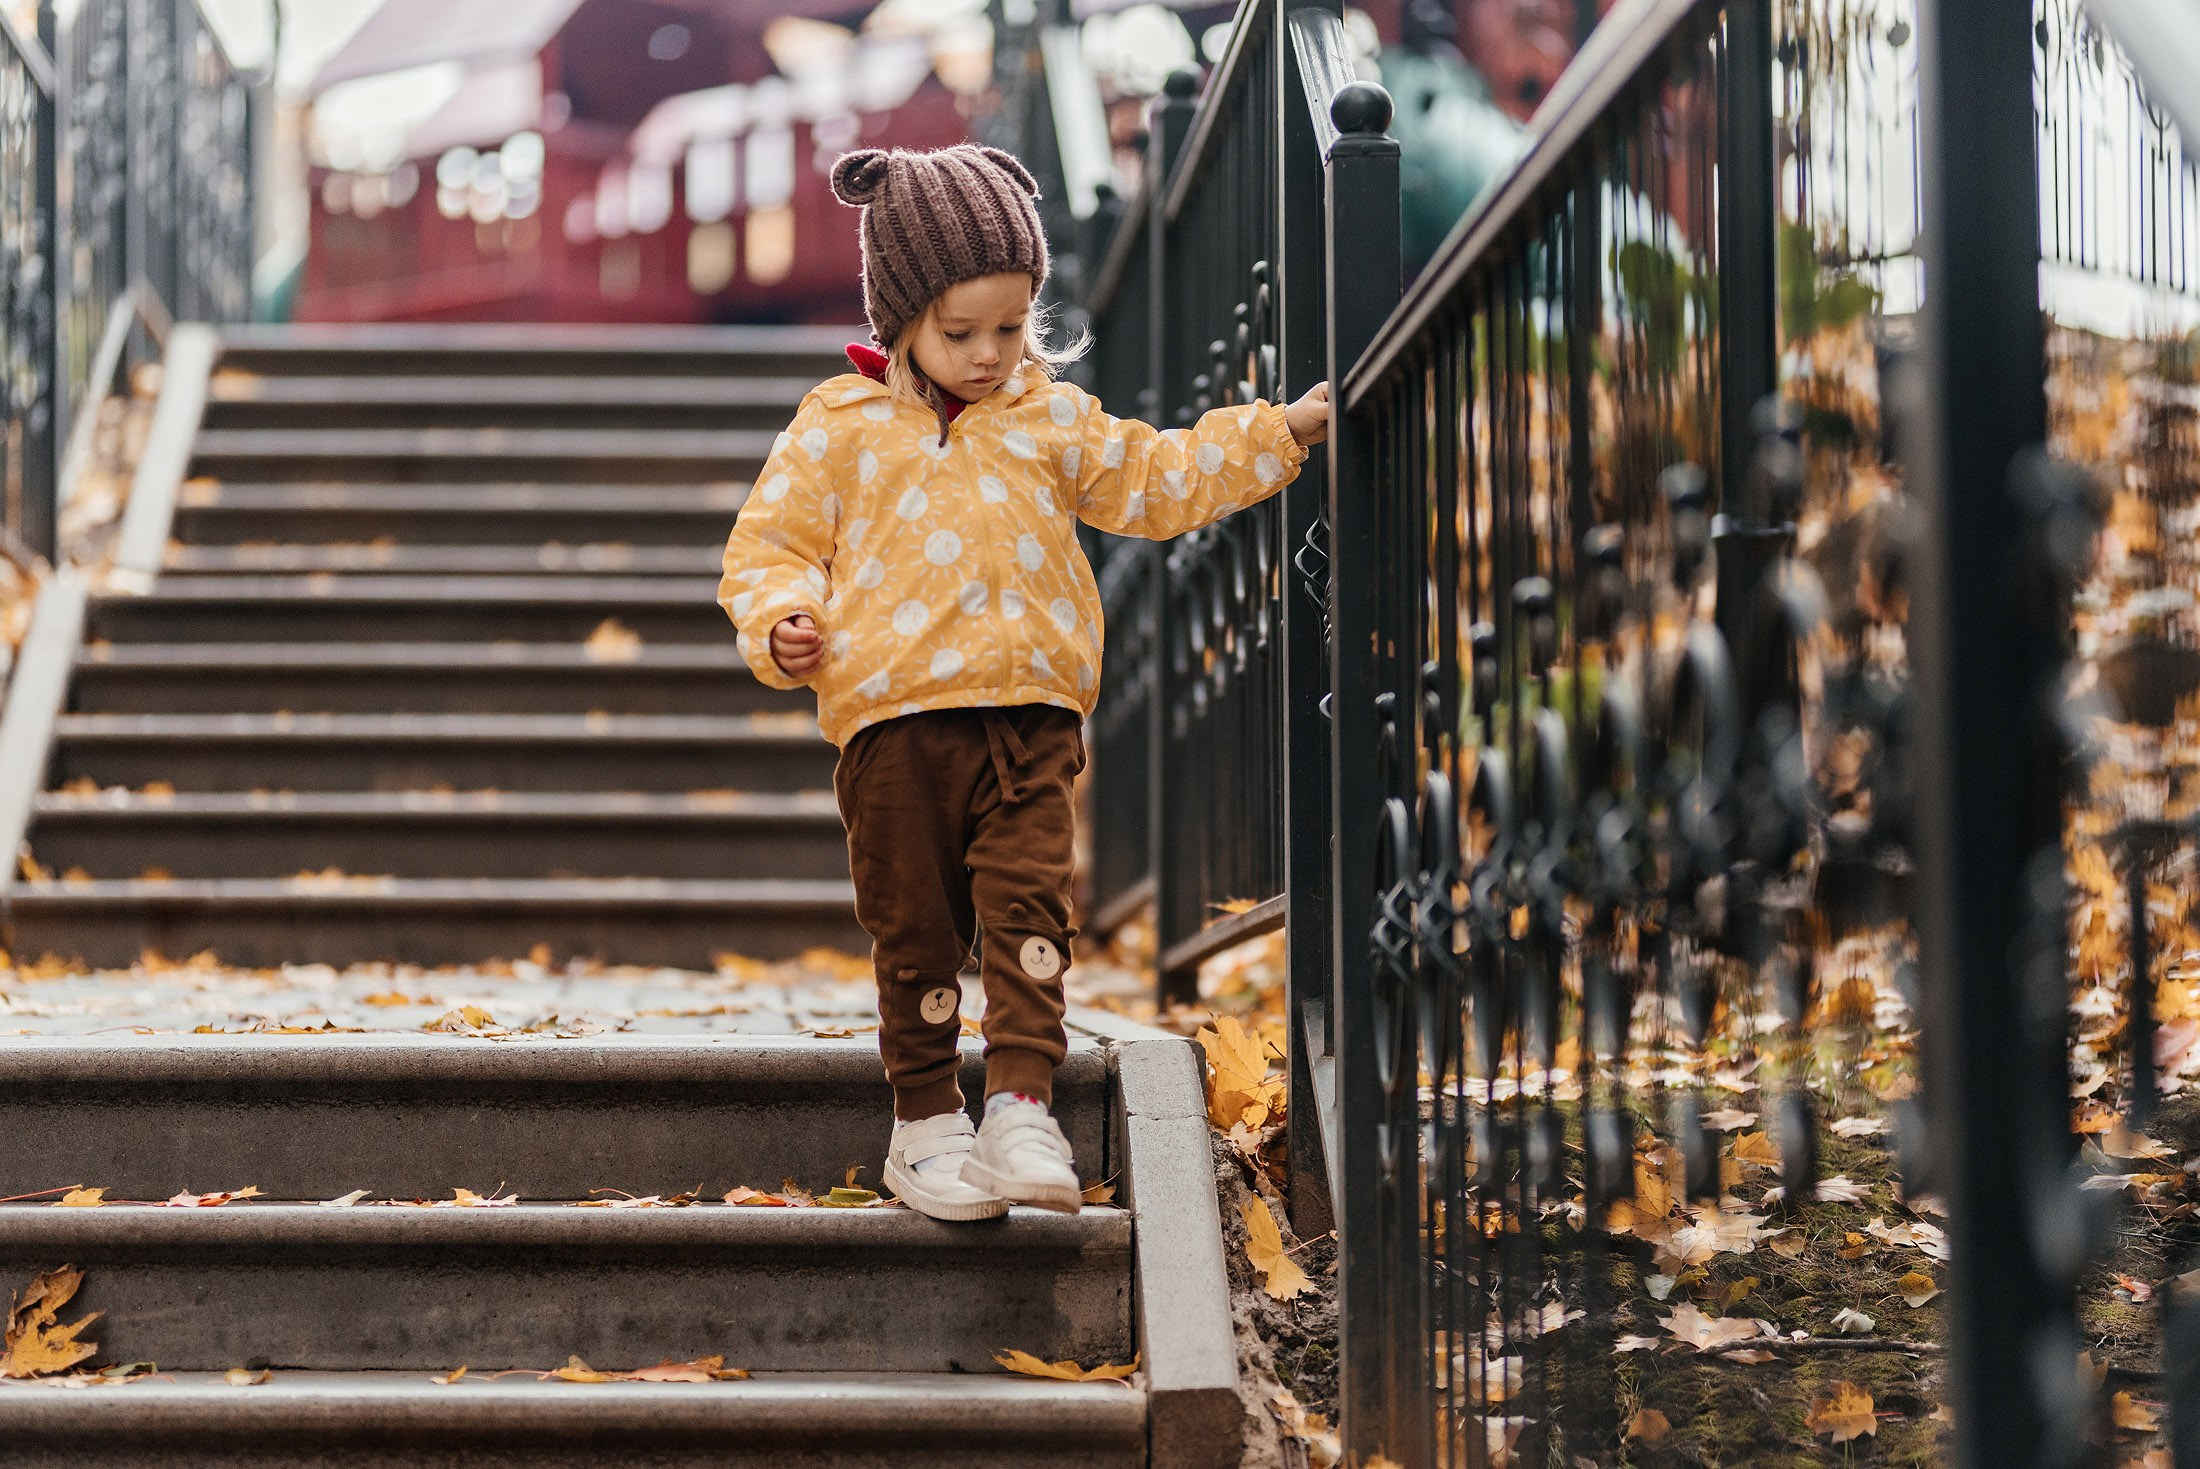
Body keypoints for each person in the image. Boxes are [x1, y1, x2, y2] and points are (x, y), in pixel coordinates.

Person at [719, 143, 1329, 1221]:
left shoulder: (1049, 419)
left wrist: (1276, 433)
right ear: (902, 316)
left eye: (1012, 325)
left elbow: (1154, 477)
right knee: (916, 930)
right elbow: (769, 547)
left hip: (1032, 718)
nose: (992, 353)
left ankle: (1020, 1104)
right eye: (961, 332)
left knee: (1030, 910)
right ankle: (924, 1123)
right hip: (894, 728)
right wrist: (783, 620)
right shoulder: (838, 427)